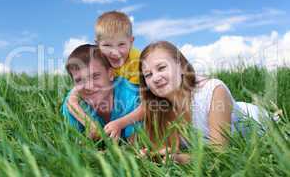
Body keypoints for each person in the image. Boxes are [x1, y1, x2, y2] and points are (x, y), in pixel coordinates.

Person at [111, 41, 269, 163]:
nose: (156, 78)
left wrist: (179, 159)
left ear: (180, 66)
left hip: (261, 125)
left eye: (161, 68)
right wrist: (153, 155)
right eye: (148, 74)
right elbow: (167, 147)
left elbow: (221, 154)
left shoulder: (213, 91)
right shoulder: (160, 108)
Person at [67, 11, 143, 138]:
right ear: (97, 44)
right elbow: (71, 100)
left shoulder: (138, 62)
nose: (115, 52)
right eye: (107, 45)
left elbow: (147, 103)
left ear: (131, 41)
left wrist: (120, 123)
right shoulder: (98, 60)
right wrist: (91, 125)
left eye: (121, 44)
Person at [60, 44, 140, 140]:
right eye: (79, 80)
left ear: (110, 74)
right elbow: (74, 144)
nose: (88, 86)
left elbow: (135, 144)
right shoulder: (76, 105)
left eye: (95, 76)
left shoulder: (131, 99)